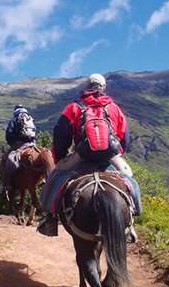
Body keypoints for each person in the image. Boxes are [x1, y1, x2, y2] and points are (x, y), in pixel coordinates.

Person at [38, 73, 141, 238]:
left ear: (86, 87)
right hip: (109, 156)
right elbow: (125, 138)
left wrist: (61, 158)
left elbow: (60, 136)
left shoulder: (74, 107)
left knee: (54, 177)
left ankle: (49, 218)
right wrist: (118, 153)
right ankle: (132, 219)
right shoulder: (114, 108)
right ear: (103, 87)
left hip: (82, 155)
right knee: (129, 178)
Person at [1, 105, 36, 190]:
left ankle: (7, 184)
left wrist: (11, 143)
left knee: (8, 159)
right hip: (31, 143)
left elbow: (9, 133)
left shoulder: (15, 118)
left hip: (19, 143)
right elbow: (34, 130)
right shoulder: (29, 118)